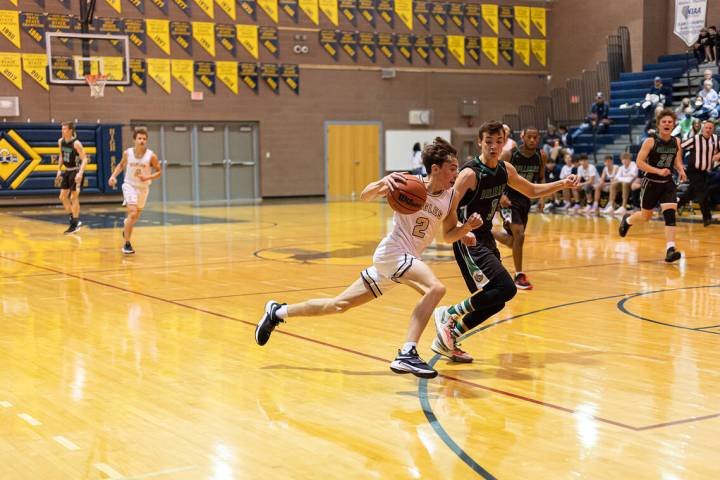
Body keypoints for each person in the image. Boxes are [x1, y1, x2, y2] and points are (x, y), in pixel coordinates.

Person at [254, 138, 483, 379]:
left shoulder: (449, 197)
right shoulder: (407, 183)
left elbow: (448, 235)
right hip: (393, 252)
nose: (456, 173)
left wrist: (465, 228)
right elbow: (365, 195)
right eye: (452, 168)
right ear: (435, 169)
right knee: (436, 288)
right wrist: (383, 182)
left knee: (338, 305)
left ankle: (277, 312)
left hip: (402, 261)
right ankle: (408, 352)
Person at [431, 121, 578, 363]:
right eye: (488, 142)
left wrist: (562, 184)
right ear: (480, 142)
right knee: (507, 288)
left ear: (504, 143)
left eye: (498, 142)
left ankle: (448, 338)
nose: (493, 147)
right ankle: (449, 313)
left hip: (486, 236)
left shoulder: (505, 170)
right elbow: (449, 209)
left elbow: (530, 190)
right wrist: (459, 231)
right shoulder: (469, 174)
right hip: (469, 239)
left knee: (496, 300)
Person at [619, 109, 687, 262]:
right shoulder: (650, 141)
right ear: (659, 125)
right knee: (646, 216)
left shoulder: (676, 141)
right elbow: (639, 162)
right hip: (651, 183)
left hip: (668, 183)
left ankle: (670, 250)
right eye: (664, 122)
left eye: (670, 122)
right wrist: (657, 170)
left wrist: (681, 170)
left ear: (674, 124)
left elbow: (677, 161)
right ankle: (627, 221)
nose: (667, 124)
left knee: (670, 214)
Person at [493, 126, 546, 290]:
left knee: (513, 240)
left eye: (535, 137)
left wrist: (542, 198)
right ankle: (519, 275)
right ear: (522, 137)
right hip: (508, 202)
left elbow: (541, 178)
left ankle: (484, 232)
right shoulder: (510, 154)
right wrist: (500, 196)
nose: (532, 140)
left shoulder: (541, 155)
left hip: (525, 201)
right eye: (529, 137)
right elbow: (495, 175)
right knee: (519, 234)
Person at [108, 127, 162, 254]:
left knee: (133, 218)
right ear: (134, 140)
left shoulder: (151, 156)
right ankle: (127, 244)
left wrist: (148, 177)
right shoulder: (128, 153)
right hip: (129, 185)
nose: (142, 141)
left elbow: (159, 171)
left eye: (144, 139)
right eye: (139, 138)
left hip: (143, 188)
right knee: (132, 213)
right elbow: (121, 165)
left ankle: (126, 226)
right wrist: (113, 176)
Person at [678, 121, 720, 226]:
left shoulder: (716, 139)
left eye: (710, 128)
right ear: (703, 128)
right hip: (693, 171)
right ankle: (707, 217)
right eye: (706, 127)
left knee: (690, 194)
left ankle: (676, 205)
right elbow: (680, 146)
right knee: (703, 192)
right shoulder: (695, 139)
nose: (708, 129)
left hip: (704, 172)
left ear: (713, 129)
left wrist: (718, 155)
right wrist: (679, 163)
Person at [55, 121, 88, 235]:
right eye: (62, 128)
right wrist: (59, 170)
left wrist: (80, 173)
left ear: (70, 130)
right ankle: (73, 218)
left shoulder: (76, 143)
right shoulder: (61, 141)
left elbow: (85, 159)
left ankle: (74, 224)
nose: (62, 130)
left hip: (76, 170)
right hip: (67, 171)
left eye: (64, 129)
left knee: (74, 196)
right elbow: (61, 155)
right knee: (62, 197)